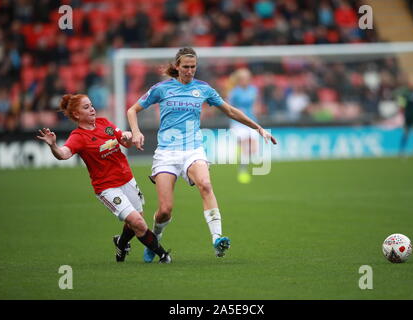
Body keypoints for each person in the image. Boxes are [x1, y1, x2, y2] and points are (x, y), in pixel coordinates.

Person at [127, 47, 277, 263]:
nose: (190, 71)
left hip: (193, 149)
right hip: (166, 153)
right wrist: (136, 131)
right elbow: (132, 110)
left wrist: (258, 128)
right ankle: (154, 240)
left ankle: (217, 239)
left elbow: (231, 111)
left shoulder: (203, 89)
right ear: (177, 67)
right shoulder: (161, 89)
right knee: (164, 211)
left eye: (193, 67)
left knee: (205, 185)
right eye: (186, 67)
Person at [36, 94, 171, 263]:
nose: (92, 109)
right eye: (86, 107)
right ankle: (163, 255)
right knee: (138, 222)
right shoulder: (78, 137)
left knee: (135, 220)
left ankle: (121, 243)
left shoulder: (104, 123)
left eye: (91, 105)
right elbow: (63, 154)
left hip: (127, 179)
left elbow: (124, 141)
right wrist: (53, 146)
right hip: (107, 188)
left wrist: (128, 137)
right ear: (77, 115)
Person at [227, 68, 260, 184]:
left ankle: (240, 152)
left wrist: (257, 109)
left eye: (247, 78)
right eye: (243, 78)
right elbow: (228, 107)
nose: (246, 80)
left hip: (252, 120)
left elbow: (256, 103)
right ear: (239, 80)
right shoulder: (234, 92)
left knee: (254, 150)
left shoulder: (254, 90)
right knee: (246, 145)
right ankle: (242, 171)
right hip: (239, 122)